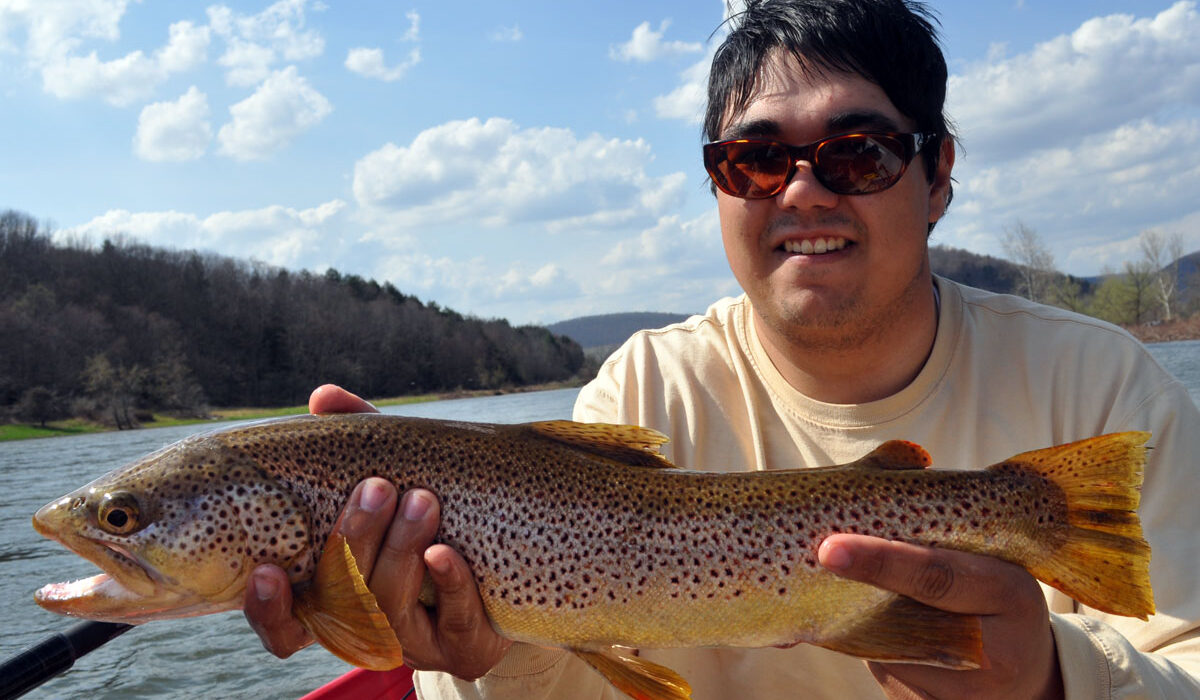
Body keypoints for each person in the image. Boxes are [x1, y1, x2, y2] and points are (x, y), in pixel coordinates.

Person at [245, 1, 1200, 698]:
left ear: (938, 173)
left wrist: (1054, 682)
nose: (804, 192)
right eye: (756, 160)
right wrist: (491, 652)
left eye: (858, 151)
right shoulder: (642, 391)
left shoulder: (1102, 386)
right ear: (717, 186)